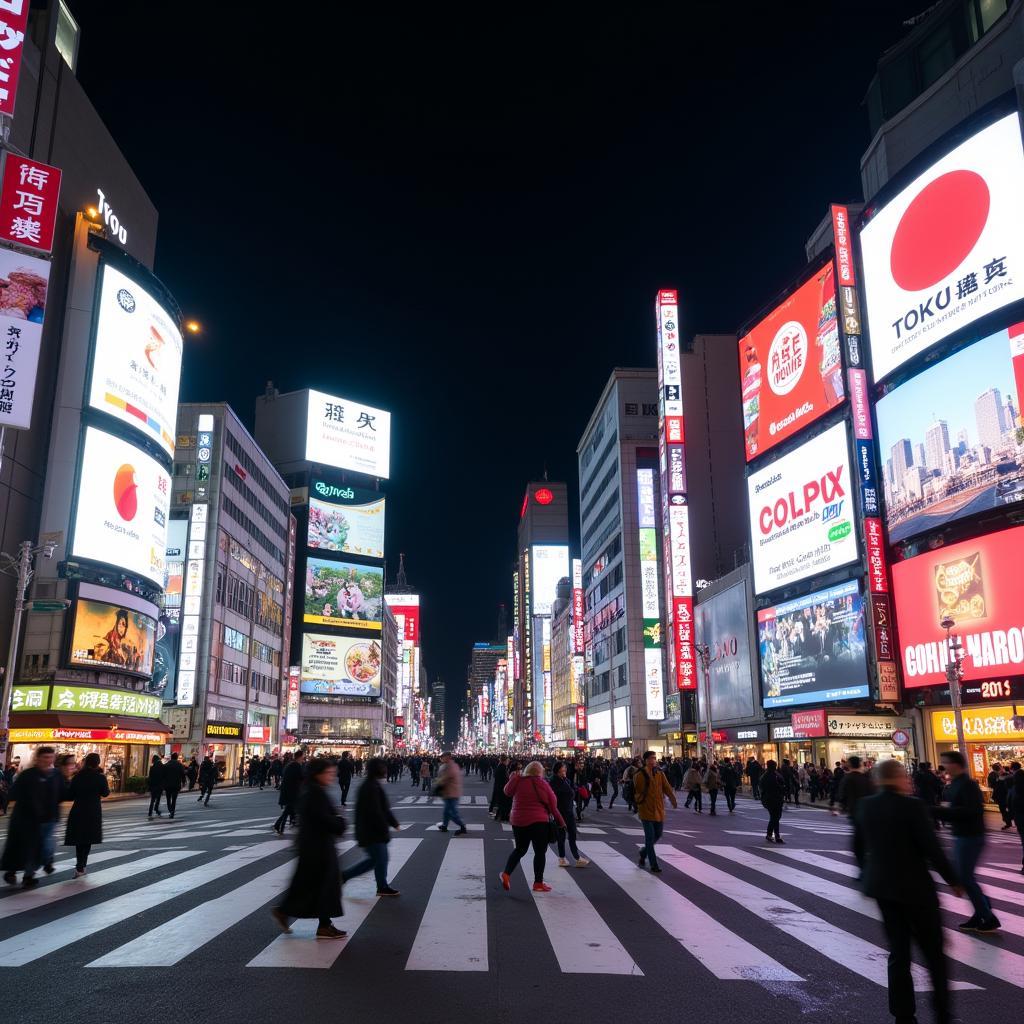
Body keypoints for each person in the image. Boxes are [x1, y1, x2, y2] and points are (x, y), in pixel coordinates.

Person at [856, 758, 962, 1024]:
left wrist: (867, 873)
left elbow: (857, 845)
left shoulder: (866, 806)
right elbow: (931, 848)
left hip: (883, 888)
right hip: (916, 889)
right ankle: (942, 1012)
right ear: (901, 778)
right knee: (933, 953)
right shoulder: (912, 806)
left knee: (898, 952)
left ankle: (903, 1014)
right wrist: (953, 880)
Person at [272, 758, 348, 939]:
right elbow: (323, 818)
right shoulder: (314, 793)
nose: (332, 776)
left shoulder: (314, 790)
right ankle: (320, 924)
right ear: (318, 774)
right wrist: (339, 822)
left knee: (312, 886)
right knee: (319, 886)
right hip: (316, 847)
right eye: (328, 773)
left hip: (315, 845)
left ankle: (319, 922)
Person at [933, 750, 1000, 932]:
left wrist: (940, 811)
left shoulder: (968, 784)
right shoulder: (954, 783)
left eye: (946, 762)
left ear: (956, 764)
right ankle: (981, 914)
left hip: (971, 836)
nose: (944, 766)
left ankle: (987, 917)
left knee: (965, 878)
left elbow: (972, 810)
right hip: (962, 835)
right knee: (966, 878)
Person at [499, 761, 565, 892]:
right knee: (540, 852)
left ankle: (506, 874)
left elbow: (507, 791)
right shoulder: (543, 784)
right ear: (540, 772)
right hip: (539, 822)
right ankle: (538, 883)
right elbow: (553, 806)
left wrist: (515, 777)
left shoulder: (518, 781)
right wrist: (561, 822)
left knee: (520, 849)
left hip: (518, 821)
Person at [342, 757, 400, 896]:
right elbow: (376, 812)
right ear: (377, 769)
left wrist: (393, 823)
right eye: (382, 767)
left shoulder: (372, 785)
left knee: (375, 860)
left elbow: (383, 809)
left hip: (371, 831)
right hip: (372, 832)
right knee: (380, 859)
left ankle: (345, 876)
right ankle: (381, 886)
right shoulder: (370, 787)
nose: (385, 769)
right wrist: (386, 828)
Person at [1, 746, 58, 888]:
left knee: (34, 849)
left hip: (43, 819)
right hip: (24, 818)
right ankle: (11, 872)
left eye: (50, 757)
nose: (48, 760)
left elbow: (60, 794)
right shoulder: (27, 775)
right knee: (19, 847)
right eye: (45, 757)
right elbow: (13, 793)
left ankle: (28, 875)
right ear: (38, 758)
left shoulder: (54, 775)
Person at [64, 752, 109, 876]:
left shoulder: (77, 777)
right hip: (93, 811)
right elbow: (105, 793)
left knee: (79, 839)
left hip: (78, 810)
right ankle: (81, 866)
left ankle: (80, 865)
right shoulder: (100, 777)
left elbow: (70, 795)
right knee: (87, 839)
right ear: (97, 763)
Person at [634, 750, 677, 873]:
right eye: (651, 758)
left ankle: (643, 852)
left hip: (658, 809)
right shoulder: (640, 774)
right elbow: (637, 790)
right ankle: (653, 864)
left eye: (655, 758)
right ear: (646, 760)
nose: (654, 760)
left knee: (658, 834)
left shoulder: (659, 773)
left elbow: (667, 787)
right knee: (649, 837)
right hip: (646, 810)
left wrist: (673, 799)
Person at [837, 754, 875, 866]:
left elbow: (842, 796)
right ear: (860, 764)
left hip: (855, 811)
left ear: (849, 765)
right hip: (869, 811)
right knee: (868, 836)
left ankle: (863, 865)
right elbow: (873, 792)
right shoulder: (866, 778)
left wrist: (842, 807)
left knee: (859, 840)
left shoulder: (847, 778)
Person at [549, 762, 588, 867]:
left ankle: (577, 857)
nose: (564, 770)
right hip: (560, 812)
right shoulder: (553, 782)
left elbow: (572, 790)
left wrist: (577, 789)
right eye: (562, 769)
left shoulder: (566, 780)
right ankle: (562, 858)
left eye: (565, 769)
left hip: (569, 811)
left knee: (572, 834)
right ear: (557, 770)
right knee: (561, 836)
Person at [434, 753, 467, 835]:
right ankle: (444, 826)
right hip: (449, 792)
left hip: (452, 793)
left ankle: (462, 827)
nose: (442, 759)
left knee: (451, 812)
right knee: (446, 811)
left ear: (448, 757)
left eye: (443, 757)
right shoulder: (453, 765)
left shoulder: (450, 767)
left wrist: (436, 786)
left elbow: (444, 778)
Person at [274, 749, 305, 835]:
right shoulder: (296, 765)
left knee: (288, 810)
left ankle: (280, 826)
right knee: (288, 810)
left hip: (289, 791)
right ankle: (279, 826)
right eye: (303, 756)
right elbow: (301, 777)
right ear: (300, 757)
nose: (304, 758)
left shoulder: (291, 765)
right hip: (292, 792)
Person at [760, 759, 786, 844]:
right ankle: (776, 835)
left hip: (768, 799)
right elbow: (781, 785)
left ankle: (771, 834)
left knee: (774, 817)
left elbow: (761, 787)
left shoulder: (764, 776)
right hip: (775, 799)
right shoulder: (775, 775)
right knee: (776, 817)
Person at [162, 751, 187, 819]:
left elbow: (163, 775)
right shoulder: (180, 765)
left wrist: (163, 783)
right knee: (174, 799)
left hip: (168, 785)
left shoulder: (167, 764)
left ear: (171, 757)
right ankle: (172, 811)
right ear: (176, 758)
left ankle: (170, 810)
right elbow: (183, 774)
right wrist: (184, 782)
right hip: (176, 785)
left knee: (168, 798)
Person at [147, 754, 164, 818]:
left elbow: (150, 777)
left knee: (152, 799)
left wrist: (149, 786)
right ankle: (156, 809)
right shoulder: (162, 766)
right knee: (158, 798)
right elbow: (163, 776)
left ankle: (150, 812)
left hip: (153, 785)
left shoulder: (152, 767)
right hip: (159, 785)